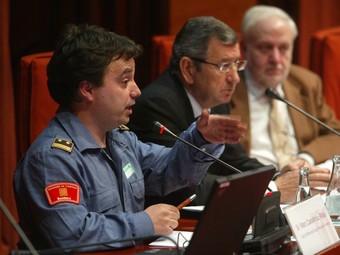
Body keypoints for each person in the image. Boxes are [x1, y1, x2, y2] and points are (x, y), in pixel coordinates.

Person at [12, 24, 243, 252]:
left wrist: (201, 138)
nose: (137, 91)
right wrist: (145, 223)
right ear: (87, 90)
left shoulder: (119, 139)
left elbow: (169, 171)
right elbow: (73, 235)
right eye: (125, 82)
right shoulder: (51, 159)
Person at [129, 16, 312, 205]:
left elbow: (233, 161)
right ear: (189, 69)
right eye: (224, 66)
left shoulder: (214, 97)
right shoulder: (156, 106)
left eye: (236, 64)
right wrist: (272, 189)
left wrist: (275, 175)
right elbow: (184, 187)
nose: (235, 78)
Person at [231, 6, 340, 188]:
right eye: (265, 48)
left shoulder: (306, 83)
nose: (276, 58)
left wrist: (306, 158)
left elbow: (336, 135)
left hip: (306, 188)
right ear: (244, 48)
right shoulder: (226, 91)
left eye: (283, 48)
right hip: (260, 191)